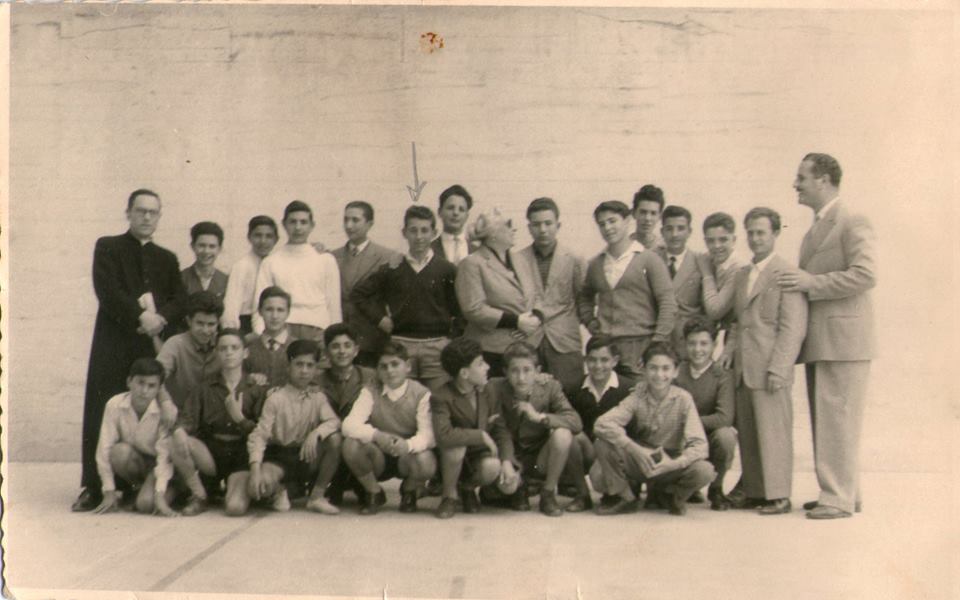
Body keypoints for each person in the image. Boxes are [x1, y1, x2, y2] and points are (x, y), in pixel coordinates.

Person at [75, 189, 187, 512]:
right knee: (102, 407)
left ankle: (150, 480)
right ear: (128, 213)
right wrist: (141, 316)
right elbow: (107, 290)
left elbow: (180, 298)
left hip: (150, 345)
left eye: (153, 212)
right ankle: (94, 487)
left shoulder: (167, 258)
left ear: (159, 216)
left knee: (153, 409)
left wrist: (160, 318)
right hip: (113, 343)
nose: (147, 217)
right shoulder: (108, 247)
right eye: (141, 211)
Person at [778, 153, 876, 520]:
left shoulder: (852, 220)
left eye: (801, 177)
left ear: (823, 180)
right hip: (824, 342)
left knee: (839, 420)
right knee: (831, 420)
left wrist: (811, 282)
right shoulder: (816, 228)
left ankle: (837, 497)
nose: (796, 184)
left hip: (845, 342)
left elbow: (866, 274)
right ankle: (844, 493)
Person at [728, 207, 808, 515]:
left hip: (769, 367)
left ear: (775, 233)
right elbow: (738, 322)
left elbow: (792, 328)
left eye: (761, 232)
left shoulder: (786, 273)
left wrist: (780, 367)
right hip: (744, 368)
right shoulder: (742, 275)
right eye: (750, 232)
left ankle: (779, 495)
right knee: (749, 433)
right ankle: (756, 491)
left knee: (774, 433)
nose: (755, 238)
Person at [592, 343, 714, 516]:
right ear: (644, 369)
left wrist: (674, 464)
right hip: (640, 459)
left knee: (704, 470)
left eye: (666, 369)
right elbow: (602, 424)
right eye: (653, 368)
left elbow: (700, 445)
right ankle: (626, 497)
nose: (659, 375)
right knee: (600, 459)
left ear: (675, 371)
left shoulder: (683, 399)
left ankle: (672, 497)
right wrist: (634, 449)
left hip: (669, 460)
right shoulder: (637, 395)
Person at [352, 205, 461, 390]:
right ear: (404, 233)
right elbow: (359, 295)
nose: (419, 236)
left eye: (424, 230)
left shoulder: (447, 269)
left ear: (434, 233)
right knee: (399, 397)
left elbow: (460, 309)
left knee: (437, 399)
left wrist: (450, 340)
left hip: (436, 349)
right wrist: (380, 319)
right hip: (401, 346)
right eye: (413, 230)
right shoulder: (392, 267)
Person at [170, 329, 268, 516]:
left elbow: (262, 431)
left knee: (235, 508)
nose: (229, 353)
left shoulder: (256, 388)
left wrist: (240, 419)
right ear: (216, 353)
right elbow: (187, 417)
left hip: (241, 453)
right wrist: (180, 430)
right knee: (176, 438)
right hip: (211, 453)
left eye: (234, 348)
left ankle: (227, 489)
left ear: (245, 353)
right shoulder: (204, 387)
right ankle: (199, 495)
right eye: (223, 348)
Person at [485, 342, 589, 516]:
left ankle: (548, 493)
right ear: (505, 372)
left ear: (538, 371)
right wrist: (506, 461)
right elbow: (500, 430)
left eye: (527, 370)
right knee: (508, 487)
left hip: (538, 458)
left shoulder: (550, 386)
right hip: (511, 455)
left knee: (563, 434)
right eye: (514, 371)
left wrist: (540, 417)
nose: (521, 378)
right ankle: (517, 488)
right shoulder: (495, 387)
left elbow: (575, 421)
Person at [243, 340, 343, 515]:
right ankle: (280, 491)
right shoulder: (276, 398)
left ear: (315, 369)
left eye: (310, 365)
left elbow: (334, 421)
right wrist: (255, 470)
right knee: (260, 485)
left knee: (334, 440)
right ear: (288, 366)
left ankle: (316, 497)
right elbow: (260, 435)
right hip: (279, 455)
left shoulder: (318, 397)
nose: (304, 371)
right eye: (299, 364)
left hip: (306, 454)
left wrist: (316, 433)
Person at [579, 201, 676, 378]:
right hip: (606, 348)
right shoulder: (596, 263)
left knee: (639, 392)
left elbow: (667, 303)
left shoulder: (649, 259)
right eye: (602, 224)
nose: (607, 228)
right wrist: (591, 322)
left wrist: (656, 344)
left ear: (627, 220)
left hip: (640, 346)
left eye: (612, 221)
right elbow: (584, 297)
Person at [341, 342, 437, 515]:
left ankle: (409, 490)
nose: (390, 371)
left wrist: (407, 445)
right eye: (383, 366)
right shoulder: (370, 390)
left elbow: (428, 435)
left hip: (406, 456)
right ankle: (374, 492)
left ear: (407, 366)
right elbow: (349, 424)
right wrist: (377, 435)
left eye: (395, 364)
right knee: (351, 444)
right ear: (377, 370)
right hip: (379, 454)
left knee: (426, 461)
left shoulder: (421, 393)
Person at [431, 337, 519, 519]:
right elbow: (443, 435)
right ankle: (449, 495)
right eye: (480, 363)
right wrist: (480, 435)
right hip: (450, 462)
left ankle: (467, 489)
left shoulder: (489, 390)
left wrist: (507, 461)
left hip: (478, 457)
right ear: (464, 373)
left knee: (499, 473)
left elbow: (501, 430)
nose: (487, 366)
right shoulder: (441, 396)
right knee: (455, 448)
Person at [455, 208, 543, 377]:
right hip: (492, 351)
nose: (514, 229)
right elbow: (473, 309)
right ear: (493, 234)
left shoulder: (520, 259)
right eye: (508, 225)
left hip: (528, 347)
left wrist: (536, 318)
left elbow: (537, 295)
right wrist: (516, 321)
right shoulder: (472, 264)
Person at [92, 358, 178, 517]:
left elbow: (164, 456)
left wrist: (159, 495)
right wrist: (109, 491)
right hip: (139, 462)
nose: (144, 390)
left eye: (151, 386)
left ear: (159, 389)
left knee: (146, 505)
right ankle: (138, 489)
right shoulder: (114, 404)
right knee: (119, 452)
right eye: (140, 383)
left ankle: (175, 490)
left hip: (161, 466)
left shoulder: (163, 412)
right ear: (129, 382)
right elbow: (104, 449)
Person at [516, 198, 587, 390]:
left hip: (565, 340)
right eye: (536, 224)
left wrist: (568, 324)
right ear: (529, 227)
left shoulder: (574, 259)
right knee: (531, 393)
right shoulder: (517, 259)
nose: (543, 229)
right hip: (530, 339)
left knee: (570, 392)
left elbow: (583, 299)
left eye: (548, 223)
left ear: (558, 225)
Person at [253, 200, 341, 341]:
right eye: (293, 222)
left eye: (303, 222)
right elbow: (259, 303)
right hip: (282, 329)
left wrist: (334, 336)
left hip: (318, 329)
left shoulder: (326, 260)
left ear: (312, 225)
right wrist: (262, 335)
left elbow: (334, 305)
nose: (298, 227)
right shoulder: (270, 262)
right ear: (284, 224)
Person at [673, 318, 736, 511]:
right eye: (692, 343)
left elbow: (724, 417)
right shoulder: (677, 371)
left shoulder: (722, 375)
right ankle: (685, 486)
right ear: (684, 343)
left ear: (714, 345)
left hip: (707, 436)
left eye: (704, 343)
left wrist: (691, 422)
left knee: (726, 436)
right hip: (681, 436)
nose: (697, 349)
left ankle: (716, 488)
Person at [312, 323, 378, 506]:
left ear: (356, 350)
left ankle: (362, 483)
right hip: (331, 442)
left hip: (360, 443)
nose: (342, 351)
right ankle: (333, 482)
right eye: (335, 346)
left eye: (347, 346)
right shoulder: (316, 380)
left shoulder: (370, 377)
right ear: (326, 352)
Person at [331, 201, 401, 367]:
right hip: (341, 338)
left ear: (369, 224)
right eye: (346, 220)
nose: (349, 225)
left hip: (371, 337)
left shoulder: (387, 256)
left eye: (355, 220)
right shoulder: (332, 256)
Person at [156, 291, 223, 409]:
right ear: (189, 321)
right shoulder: (175, 344)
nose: (205, 330)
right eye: (200, 323)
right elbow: (155, 377)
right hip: (179, 412)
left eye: (211, 324)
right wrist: (165, 401)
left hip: (213, 413)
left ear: (218, 323)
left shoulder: (224, 345)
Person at [656, 205, 706, 359]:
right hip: (657, 341)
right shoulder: (650, 259)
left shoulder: (701, 261)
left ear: (689, 231)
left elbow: (708, 310)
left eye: (680, 228)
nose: (675, 234)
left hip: (688, 343)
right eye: (669, 229)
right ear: (662, 231)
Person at [696, 212, 746, 363]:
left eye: (723, 240)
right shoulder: (713, 260)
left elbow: (715, 310)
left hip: (738, 341)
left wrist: (706, 273)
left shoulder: (738, 267)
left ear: (734, 239)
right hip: (721, 336)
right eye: (711, 241)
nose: (717, 246)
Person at [222, 215, 279, 334]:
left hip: (272, 322)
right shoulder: (242, 266)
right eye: (258, 235)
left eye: (268, 236)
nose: (263, 241)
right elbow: (231, 305)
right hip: (245, 325)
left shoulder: (276, 266)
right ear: (249, 237)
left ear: (276, 239)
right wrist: (233, 333)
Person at [244, 286, 296, 388]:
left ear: (288, 313)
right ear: (260, 311)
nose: (274, 316)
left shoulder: (296, 347)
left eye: (280, 310)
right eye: (269, 309)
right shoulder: (249, 346)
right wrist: (248, 378)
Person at [181, 221, 228, 301]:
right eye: (201, 245)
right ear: (193, 246)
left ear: (219, 249)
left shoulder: (226, 282)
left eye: (212, 246)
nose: (206, 251)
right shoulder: (180, 280)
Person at [431, 184, 474, 265]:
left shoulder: (477, 251)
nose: (456, 213)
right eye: (450, 208)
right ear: (440, 212)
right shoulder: (428, 250)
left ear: (467, 216)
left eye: (461, 209)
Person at [631, 184, 666, 250]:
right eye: (643, 212)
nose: (647, 218)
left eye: (653, 213)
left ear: (660, 216)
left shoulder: (664, 248)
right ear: (633, 213)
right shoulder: (624, 246)